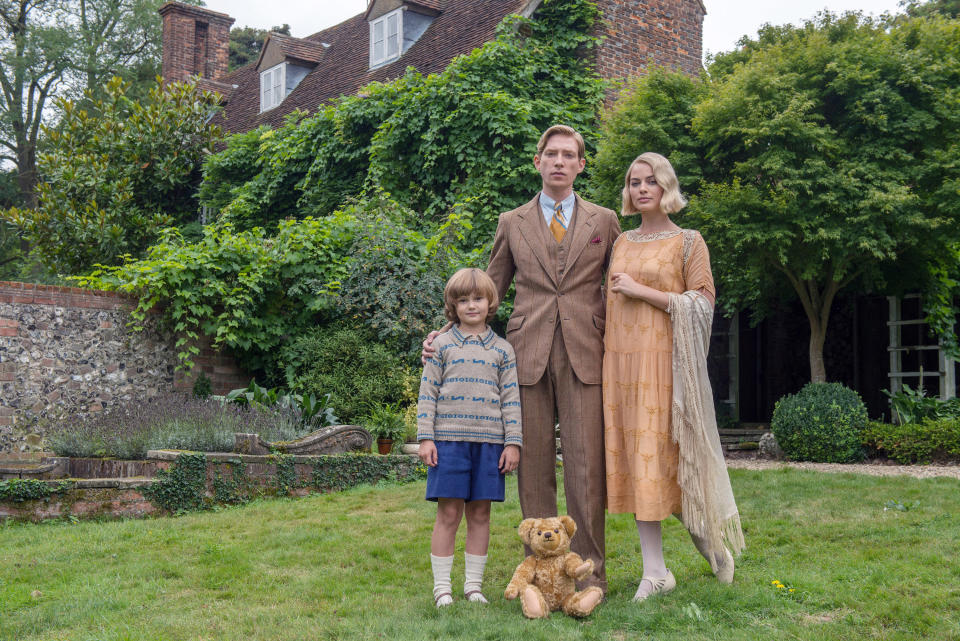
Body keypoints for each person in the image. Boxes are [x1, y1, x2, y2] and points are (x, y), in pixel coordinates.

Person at [423, 125, 621, 593]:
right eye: (550, 154)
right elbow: (486, 291)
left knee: (585, 468)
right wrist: (445, 332)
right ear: (537, 162)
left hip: (586, 353)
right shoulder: (512, 222)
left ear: (580, 165)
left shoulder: (605, 220)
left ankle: (590, 574)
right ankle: (540, 573)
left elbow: (617, 291)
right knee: (531, 469)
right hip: (524, 354)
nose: (558, 161)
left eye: (567, 155)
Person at [603, 152, 744, 602]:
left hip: (666, 367)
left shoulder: (689, 241)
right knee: (639, 466)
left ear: (667, 187)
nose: (641, 189)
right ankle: (656, 570)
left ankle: (713, 544)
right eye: (634, 182)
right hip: (621, 368)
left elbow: (703, 304)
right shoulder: (620, 242)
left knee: (674, 461)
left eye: (651, 182)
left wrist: (641, 291)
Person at [417, 267, 522, 608]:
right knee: (448, 514)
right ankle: (442, 588)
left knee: (480, 515)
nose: (471, 306)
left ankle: (473, 587)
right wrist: (426, 438)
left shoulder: (503, 350)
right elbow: (427, 394)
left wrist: (512, 442)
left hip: (490, 444)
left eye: (478, 299)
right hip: (448, 443)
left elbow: (511, 399)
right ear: (453, 305)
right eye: (463, 300)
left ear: (490, 302)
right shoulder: (440, 346)